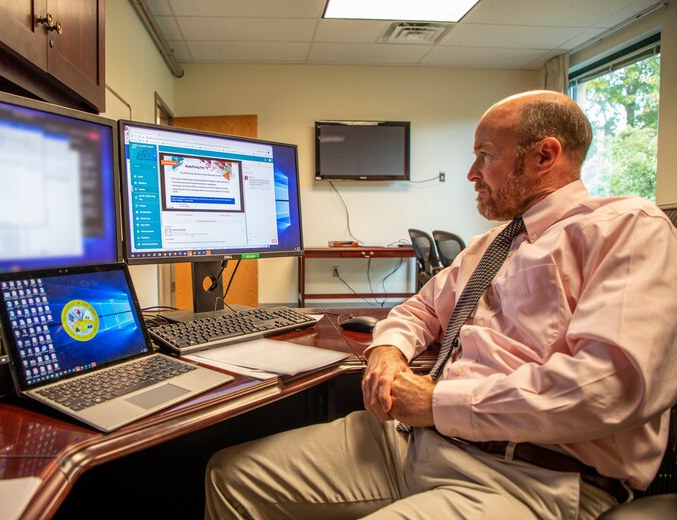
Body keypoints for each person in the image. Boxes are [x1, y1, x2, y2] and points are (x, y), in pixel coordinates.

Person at [204, 91, 677, 519]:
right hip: (415, 441)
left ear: (544, 156)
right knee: (231, 477)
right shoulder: (490, 245)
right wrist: (388, 353)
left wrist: (436, 402)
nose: (472, 173)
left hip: (530, 477)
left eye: (484, 157)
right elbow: (418, 311)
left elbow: (610, 386)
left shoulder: (626, 228)